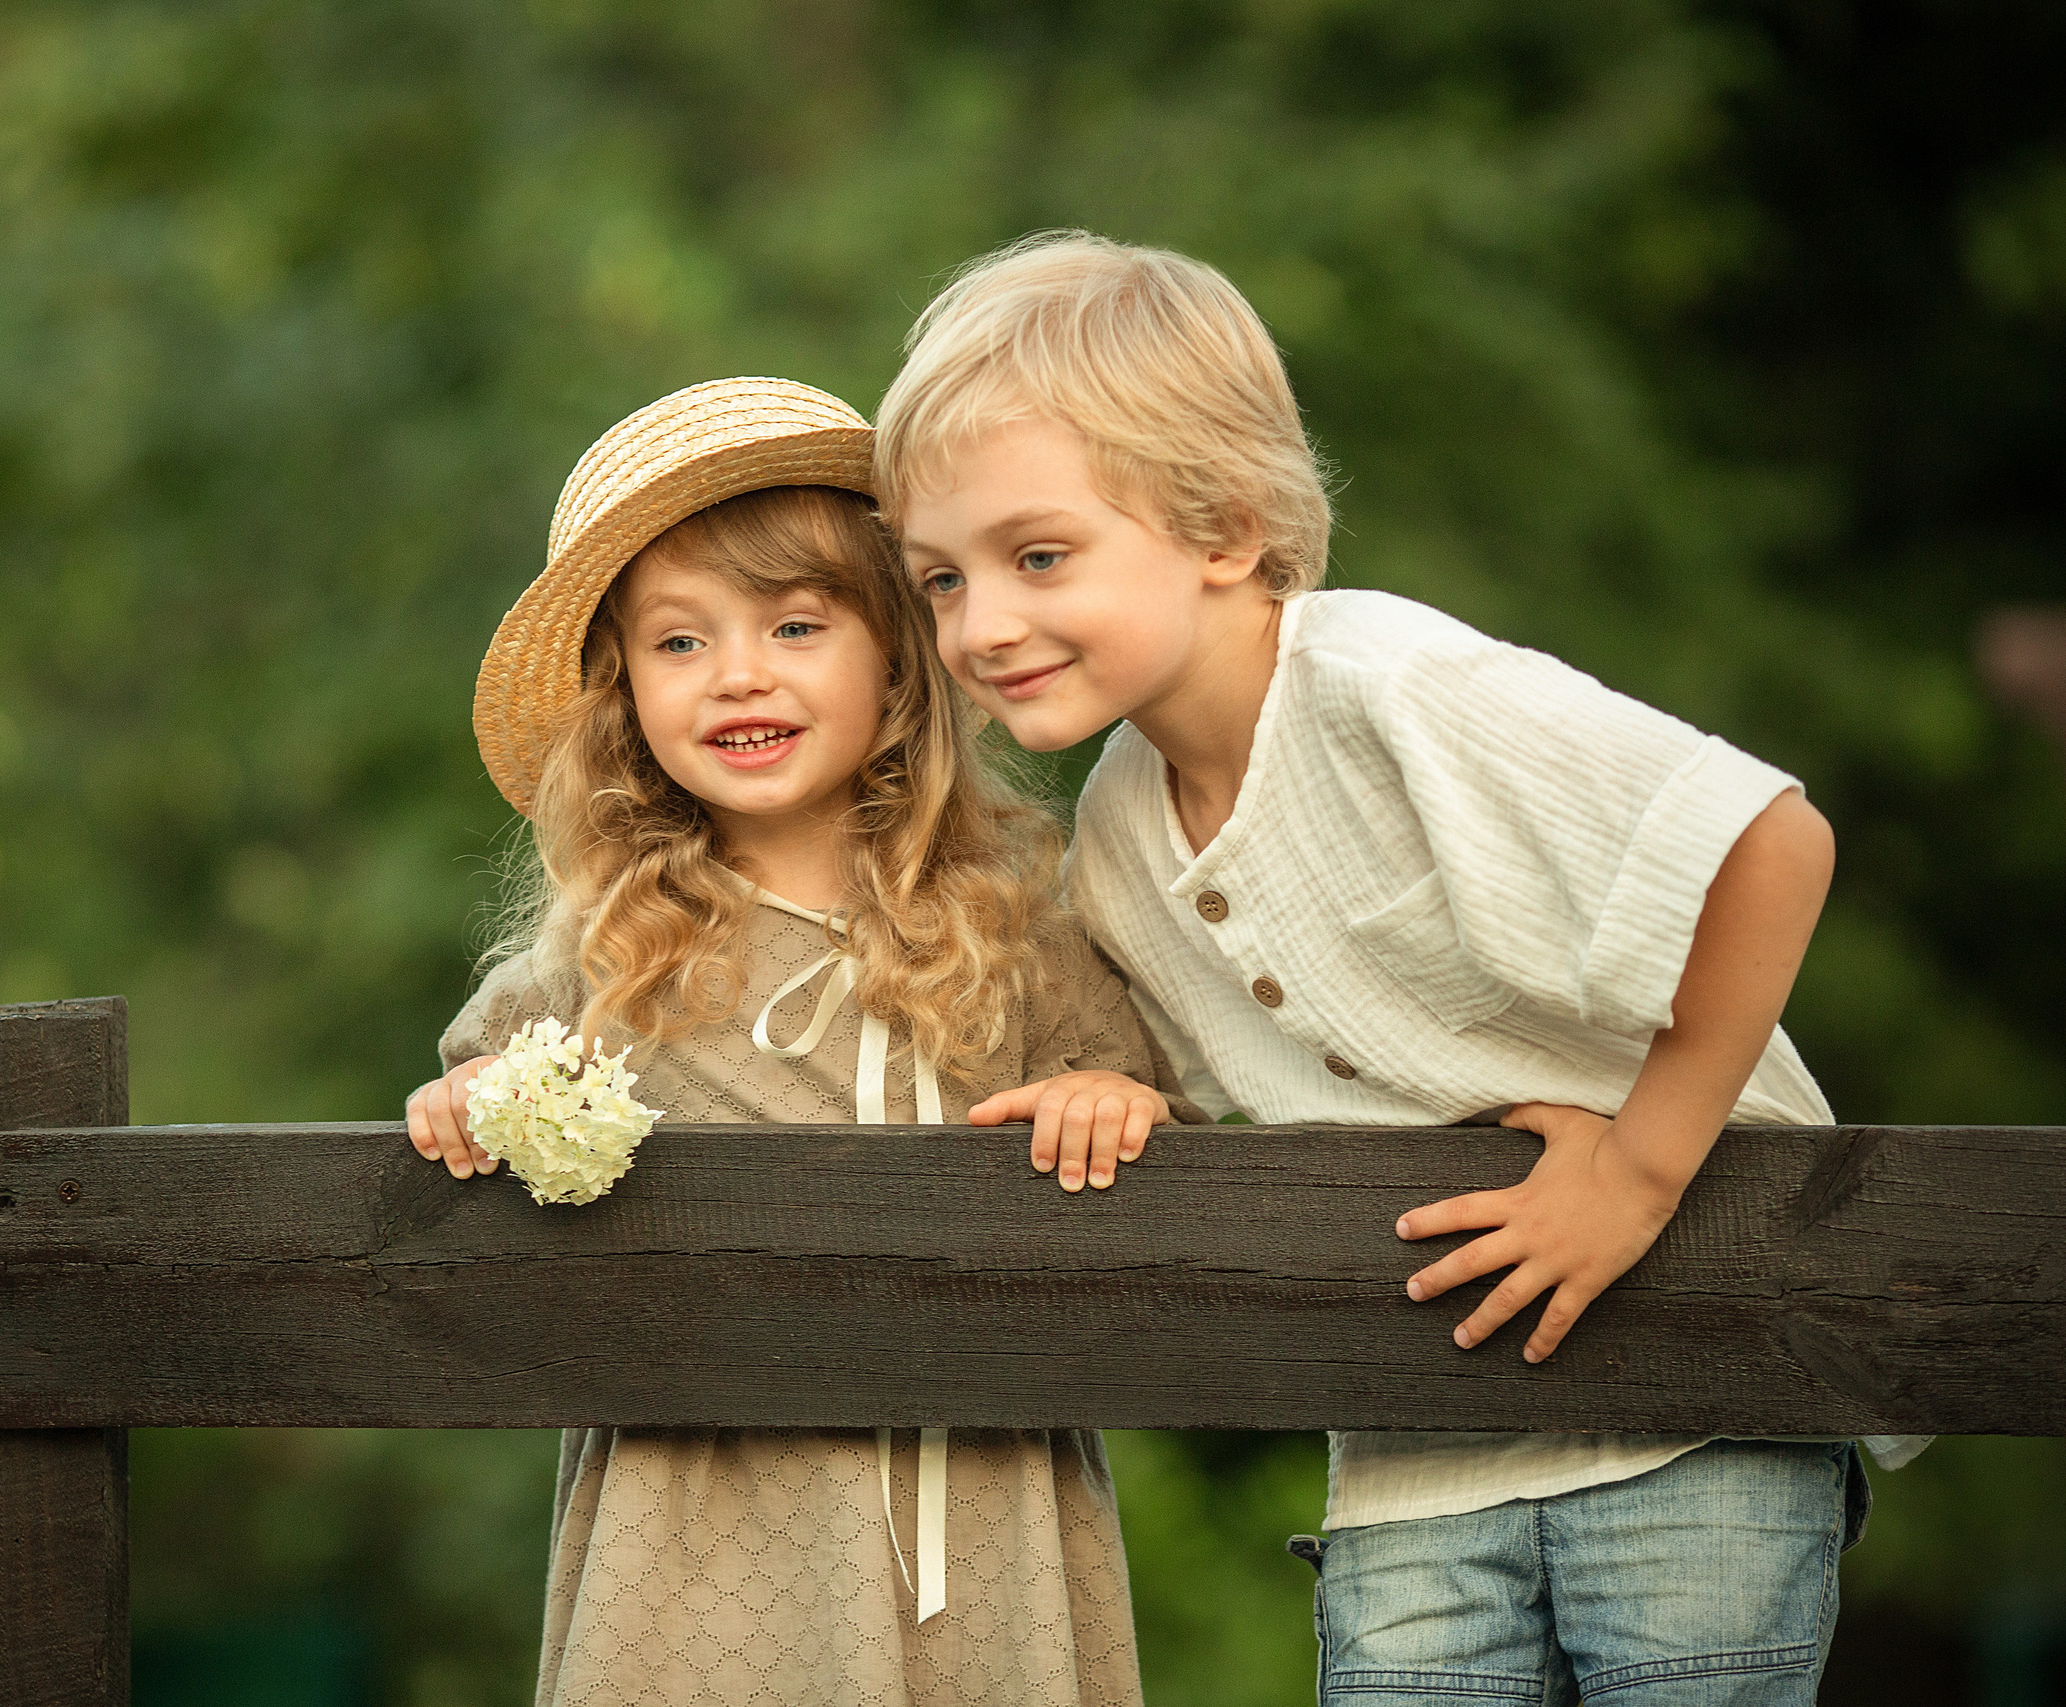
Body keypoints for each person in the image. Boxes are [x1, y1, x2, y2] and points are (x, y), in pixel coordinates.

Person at [874, 232, 1927, 1707]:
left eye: (1039, 556)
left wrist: (1634, 1170)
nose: (980, 626)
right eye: (938, 580)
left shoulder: (1391, 689)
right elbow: (1187, 1077)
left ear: (1225, 526)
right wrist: (1123, 1098)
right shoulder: (1112, 833)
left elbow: (1772, 841)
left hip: (1706, 1392)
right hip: (1414, 1451)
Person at [404, 376, 1180, 1707]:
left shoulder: (1005, 922)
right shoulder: (612, 948)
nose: (740, 674)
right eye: (680, 643)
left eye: (797, 624)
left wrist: (1115, 1101)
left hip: (973, 1480)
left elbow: (1143, 1088)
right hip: (705, 1499)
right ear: (623, 694)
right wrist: (468, 1104)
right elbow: (469, 1086)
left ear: (893, 658)